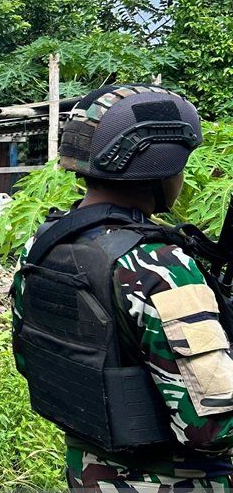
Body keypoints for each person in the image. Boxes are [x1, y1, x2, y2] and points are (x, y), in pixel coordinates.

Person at [12, 84, 233, 491]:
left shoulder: (43, 244)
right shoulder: (159, 266)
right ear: (160, 164)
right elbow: (213, 428)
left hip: (88, 474)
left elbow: (30, 360)